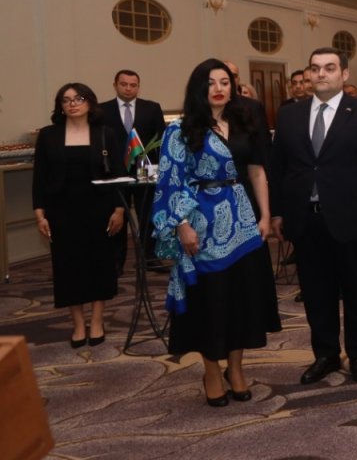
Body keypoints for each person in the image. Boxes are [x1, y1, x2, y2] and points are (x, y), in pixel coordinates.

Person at [151, 59, 281, 406]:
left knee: (242, 298)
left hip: (244, 222)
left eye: (225, 82)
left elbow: (256, 172)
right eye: (211, 82)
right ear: (198, 87)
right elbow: (171, 182)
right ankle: (211, 370)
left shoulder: (244, 122)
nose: (219, 88)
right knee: (209, 301)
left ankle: (236, 369)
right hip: (199, 224)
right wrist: (182, 225)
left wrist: (265, 215)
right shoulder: (180, 130)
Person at [269, 47, 357, 384]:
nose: (321, 74)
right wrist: (278, 212)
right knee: (315, 293)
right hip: (304, 218)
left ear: (344, 74)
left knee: (356, 290)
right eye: (315, 68)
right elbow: (278, 168)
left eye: (329, 68)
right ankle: (325, 355)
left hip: (351, 216)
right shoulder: (290, 115)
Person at [32, 83, 125, 347]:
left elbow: (118, 174)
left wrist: (119, 209)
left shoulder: (105, 133)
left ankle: (96, 321)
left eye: (78, 98)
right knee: (68, 268)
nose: (72, 103)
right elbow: (39, 179)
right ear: (60, 106)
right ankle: (77, 324)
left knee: (100, 265)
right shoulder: (48, 135)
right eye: (66, 100)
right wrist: (40, 214)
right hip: (61, 211)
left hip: (99, 209)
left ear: (90, 102)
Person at [100, 69, 165, 272]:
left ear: (138, 86)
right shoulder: (102, 110)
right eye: (124, 84)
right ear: (115, 85)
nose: (128, 88)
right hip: (115, 171)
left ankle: (150, 257)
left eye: (133, 85)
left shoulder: (152, 108)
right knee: (117, 216)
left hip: (146, 170)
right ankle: (116, 262)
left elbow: (162, 139)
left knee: (148, 215)